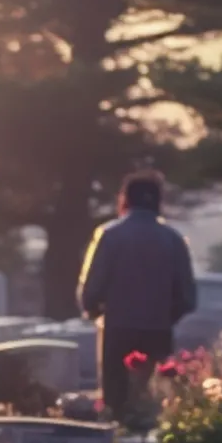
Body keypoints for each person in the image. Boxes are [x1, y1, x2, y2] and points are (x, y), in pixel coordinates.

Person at [77, 171, 198, 423]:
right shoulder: (173, 240)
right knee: (153, 399)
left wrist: (95, 311)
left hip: (117, 329)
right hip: (158, 331)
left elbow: (91, 289)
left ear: (125, 199)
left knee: (116, 402)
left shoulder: (109, 235)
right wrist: (167, 316)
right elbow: (188, 297)